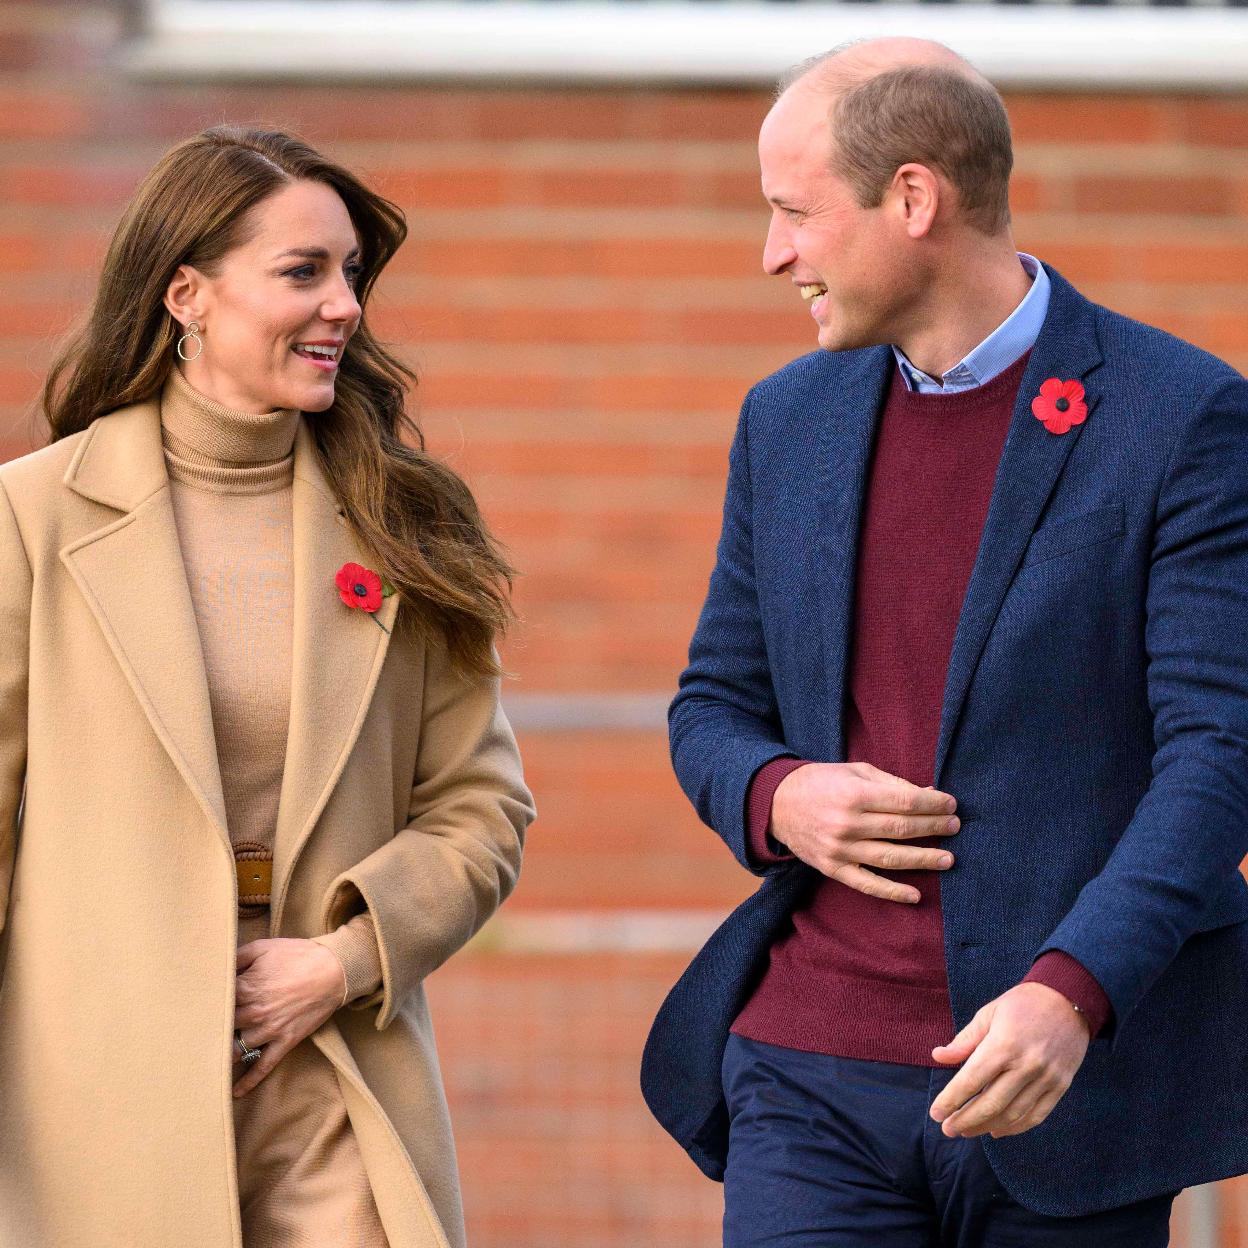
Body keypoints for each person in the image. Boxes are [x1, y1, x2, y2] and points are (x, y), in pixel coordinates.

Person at [642, 37, 1248, 1247]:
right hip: (805, 1068)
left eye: (793, 213)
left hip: (1060, 1086)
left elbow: (1218, 757)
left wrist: (1075, 994)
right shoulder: (786, 420)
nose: (775, 255)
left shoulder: (1181, 417)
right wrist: (780, 794)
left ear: (912, 199)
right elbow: (711, 704)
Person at [0, 125, 535, 1248]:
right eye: (303, 271)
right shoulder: (30, 522)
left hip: (336, 1074)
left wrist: (341, 961)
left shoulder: (406, 524)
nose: (343, 303)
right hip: (97, 1100)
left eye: (350, 273)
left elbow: (481, 809)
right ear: (186, 294)